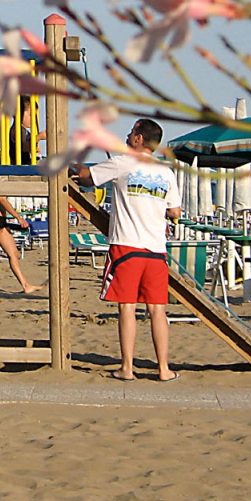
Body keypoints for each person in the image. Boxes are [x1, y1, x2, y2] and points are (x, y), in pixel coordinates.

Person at [71, 118, 182, 382]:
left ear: (139, 138)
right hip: (155, 249)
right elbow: (175, 211)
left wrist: (73, 164)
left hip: (126, 246)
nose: (128, 135)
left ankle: (127, 367)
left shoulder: (123, 162)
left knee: (127, 308)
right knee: (157, 310)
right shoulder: (166, 172)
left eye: (132, 132)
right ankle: (164, 369)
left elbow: (88, 177)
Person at [0, 196, 41, 294]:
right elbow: (2, 199)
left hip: (1, 220)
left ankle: (26, 285)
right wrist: (18, 218)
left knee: (13, 253)